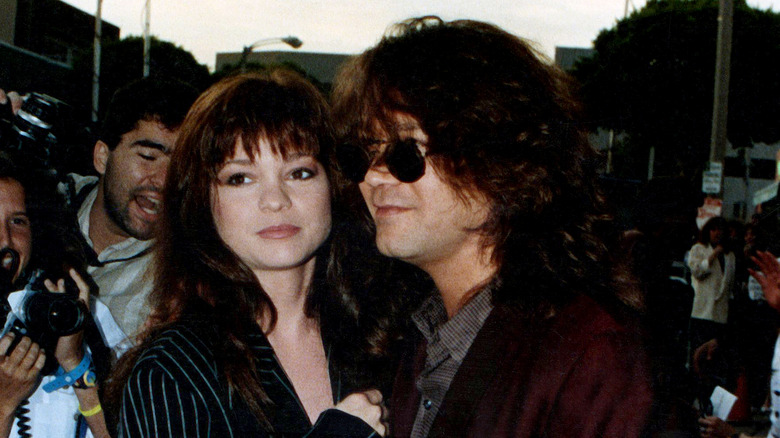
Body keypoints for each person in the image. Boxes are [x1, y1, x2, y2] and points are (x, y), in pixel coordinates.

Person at [331, 16, 653, 438]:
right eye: (362, 154)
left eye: (407, 152)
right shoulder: (415, 337)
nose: (374, 177)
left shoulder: (592, 356)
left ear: (501, 164)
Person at [108, 71, 388, 437]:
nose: (275, 200)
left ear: (333, 186)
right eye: (240, 178)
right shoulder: (172, 371)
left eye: (300, 173)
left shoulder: (386, 332)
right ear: (202, 201)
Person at [58, 78, 198, 339]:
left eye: (181, 167)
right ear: (102, 156)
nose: (164, 181)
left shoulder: (181, 280)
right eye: (148, 157)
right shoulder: (44, 205)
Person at [0, 154, 125, 438]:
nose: (5, 239)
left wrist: (76, 363)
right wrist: (4, 404)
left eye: (18, 221)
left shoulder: (76, 313)